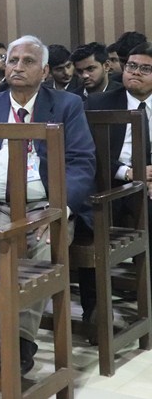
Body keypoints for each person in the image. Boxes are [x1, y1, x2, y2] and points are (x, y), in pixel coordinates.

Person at [0, 35, 95, 374]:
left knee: (44, 245)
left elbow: (81, 162)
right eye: (12, 60)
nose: (17, 67)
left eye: (28, 61)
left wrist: (60, 209)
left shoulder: (67, 105)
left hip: (44, 204)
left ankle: (18, 341)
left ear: (44, 71)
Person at [82, 41, 152, 322]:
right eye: (131, 66)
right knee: (88, 222)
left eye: (145, 69)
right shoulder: (99, 103)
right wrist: (129, 173)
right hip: (110, 183)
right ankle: (95, 311)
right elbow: (89, 154)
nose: (135, 72)